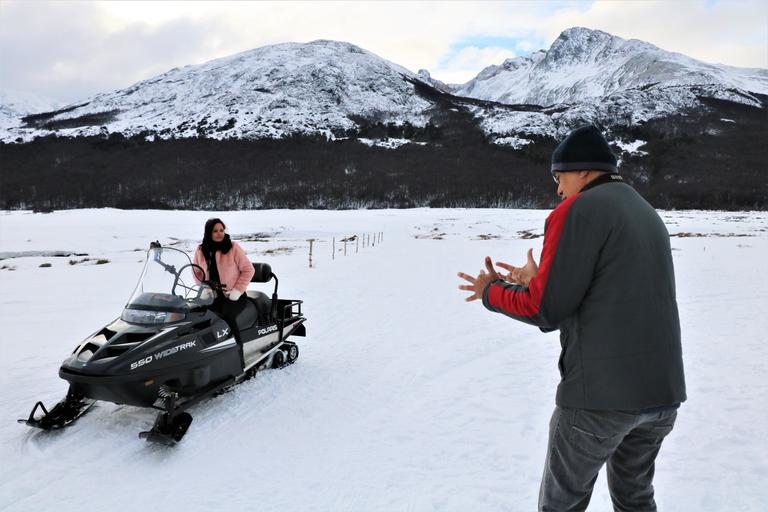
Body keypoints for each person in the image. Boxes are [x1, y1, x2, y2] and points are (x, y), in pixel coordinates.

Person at [458, 125, 686, 511]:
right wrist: (538, 278)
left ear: (583, 171)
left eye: (559, 176)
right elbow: (610, 288)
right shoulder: (645, 212)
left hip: (599, 399)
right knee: (635, 499)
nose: (558, 189)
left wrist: (491, 292)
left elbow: (544, 309)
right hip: (661, 397)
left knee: (560, 505)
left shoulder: (577, 210)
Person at [193, 218, 255, 342]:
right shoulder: (201, 250)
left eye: (221, 230)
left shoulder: (232, 247)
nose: (219, 233)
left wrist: (237, 290)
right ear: (208, 232)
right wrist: (204, 287)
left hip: (232, 296)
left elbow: (249, 270)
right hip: (211, 296)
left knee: (226, 317)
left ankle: (238, 349)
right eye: (215, 231)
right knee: (195, 315)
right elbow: (196, 272)